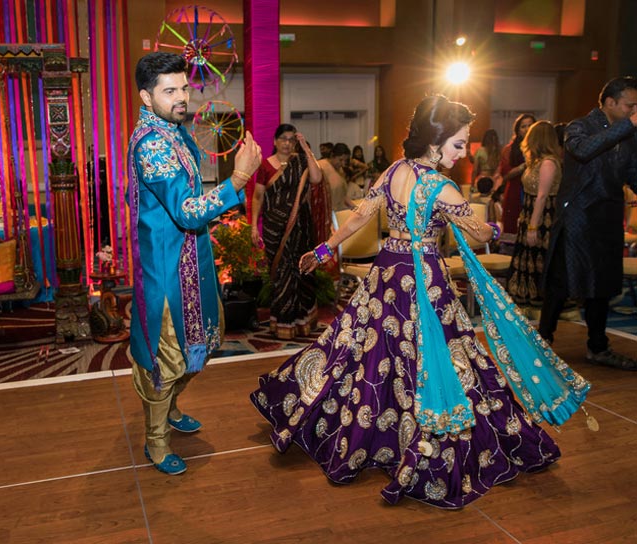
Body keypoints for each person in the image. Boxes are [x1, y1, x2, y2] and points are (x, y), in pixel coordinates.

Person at [250, 95, 590, 508]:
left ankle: (366, 432)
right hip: (423, 279)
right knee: (439, 357)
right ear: (436, 140)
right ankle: (421, 437)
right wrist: (498, 225)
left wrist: (324, 250)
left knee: (368, 351)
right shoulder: (440, 187)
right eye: (459, 143)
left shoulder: (393, 171)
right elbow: (480, 234)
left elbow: (359, 217)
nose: (462, 152)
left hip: (387, 273)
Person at [127, 52, 262, 475]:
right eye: (170, 91)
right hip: (167, 271)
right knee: (167, 359)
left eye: (184, 87)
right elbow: (186, 211)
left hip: (193, 261)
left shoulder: (174, 131)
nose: (183, 97)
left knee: (200, 342)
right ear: (147, 97)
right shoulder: (152, 145)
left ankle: (172, 410)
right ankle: (156, 440)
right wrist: (237, 181)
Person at [538, 76, 637, 369]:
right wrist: (628, 125)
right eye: (630, 105)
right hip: (578, 216)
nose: (634, 111)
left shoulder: (629, 134)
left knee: (603, 284)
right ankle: (542, 343)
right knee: (560, 282)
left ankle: (598, 346)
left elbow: (633, 172)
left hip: (607, 217)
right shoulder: (579, 127)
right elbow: (584, 150)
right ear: (610, 103)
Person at [250, 124, 323, 339]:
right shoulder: (265, 166)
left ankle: (302, 323)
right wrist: (254, 225)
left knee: (302, 271)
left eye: (292, 139)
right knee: (281, 274)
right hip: (275, 228)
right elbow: (257, 197)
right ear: (275, 141)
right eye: (283, 138)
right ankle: (283, 324)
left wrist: (305, 148)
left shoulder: (300, 162)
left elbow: (317, 178)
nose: (287, 143)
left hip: (301, 227)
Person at [507, 121, 563, 312]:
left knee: (539, 258)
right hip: (530, 214)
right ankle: (528, 302)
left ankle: (542, 306)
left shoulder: (548, 162)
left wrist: (533, 226)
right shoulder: (536, 162)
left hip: (542, 218)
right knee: (527, 258)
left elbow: (542, 196)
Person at [495, 113, 535, 234]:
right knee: (513, 229)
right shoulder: (510, 149)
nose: (527, 129)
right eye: (523, 126)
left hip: (535, 192)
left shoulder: (539, 147)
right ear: (518, 130)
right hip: (515, 190)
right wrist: (525, 165)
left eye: (530, 125)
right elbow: (505, 175)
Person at [318, 143, 356, 212]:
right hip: (326, 212)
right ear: (332, 155)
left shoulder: (340, 169)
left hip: (339, 211)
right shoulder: (320, 166)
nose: (343, 163)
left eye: (345, 160)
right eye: (340, 160)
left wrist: (355, 207)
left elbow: (343, 195)